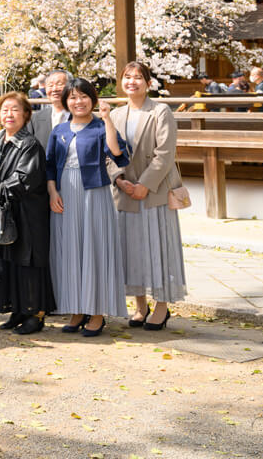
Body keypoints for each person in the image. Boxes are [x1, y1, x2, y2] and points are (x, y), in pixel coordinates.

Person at [108, 61, 187, 331]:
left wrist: (144, 184)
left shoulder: (160, 111)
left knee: (158, 246)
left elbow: (165, 153)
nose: (132, 82)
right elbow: (107, 152)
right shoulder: (116, 115)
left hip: (154, 191)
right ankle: (140, 305)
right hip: (125, 191)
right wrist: (118, 179)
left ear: (148, 83)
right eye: (127, 77)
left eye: (138, 78)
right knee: (132, 248)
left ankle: (162, 306)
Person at [47, 77, 129, 337]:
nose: (78, 101)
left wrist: (107, 119)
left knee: (94, 248)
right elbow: (49, 165)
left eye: (83, 96)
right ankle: (76, 308)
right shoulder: (59, 130)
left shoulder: (100, 126)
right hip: (64, 193)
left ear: (93, 99)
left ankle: (96, 312)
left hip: (94, 193)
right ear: (66, 101)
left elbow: (117, 153)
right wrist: (52, 192)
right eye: (72, 97)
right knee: (70, 250)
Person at [0, 93, 55, 334]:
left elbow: (24, 179)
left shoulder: (30, 144)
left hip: (26, 212)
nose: (9, 114)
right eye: (5, 109)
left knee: (27, 261)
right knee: (8, 260)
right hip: (3, 211)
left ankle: (35, 314)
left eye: (15, 110)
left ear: (26, 115)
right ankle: (17, 309)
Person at [31, 70, 70, 149]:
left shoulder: (82, 118)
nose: (54, 89)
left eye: (59, 84)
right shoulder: (34, 119)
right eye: (50, 85)